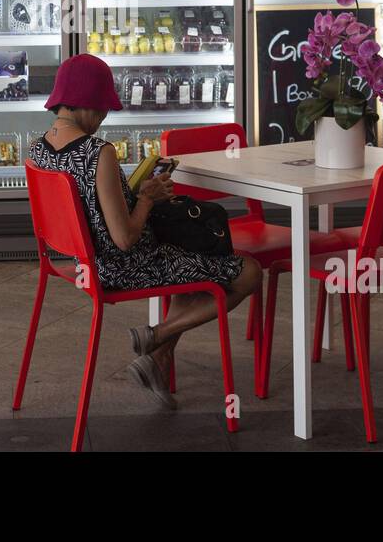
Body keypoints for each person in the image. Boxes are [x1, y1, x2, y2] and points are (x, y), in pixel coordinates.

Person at [28, 53, 262, 407]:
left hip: (84, 266)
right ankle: (155, 336)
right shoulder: (97, 152)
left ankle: (159, 359)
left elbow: (90, 211)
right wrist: (148, 199)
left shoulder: (36, 151)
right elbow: (124, 239)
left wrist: (132, 195)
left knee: (192, 258)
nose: (104, 117)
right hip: (125, 268)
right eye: (103, 108)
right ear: (88, 101)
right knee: (248, 271)